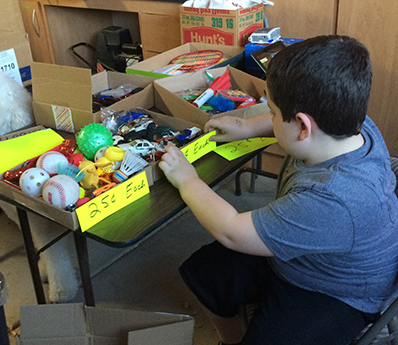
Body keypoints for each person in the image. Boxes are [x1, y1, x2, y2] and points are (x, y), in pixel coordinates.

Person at [158, 35, 398, 345]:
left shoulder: (335, 198)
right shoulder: (352, 124)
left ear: (302, 126)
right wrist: (247, 127)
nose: (269, 117)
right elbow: (298, 121)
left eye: (271, 111)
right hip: (307, 252)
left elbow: (231, 230)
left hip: (339, 291)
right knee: (204, 274)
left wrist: (187, 179)